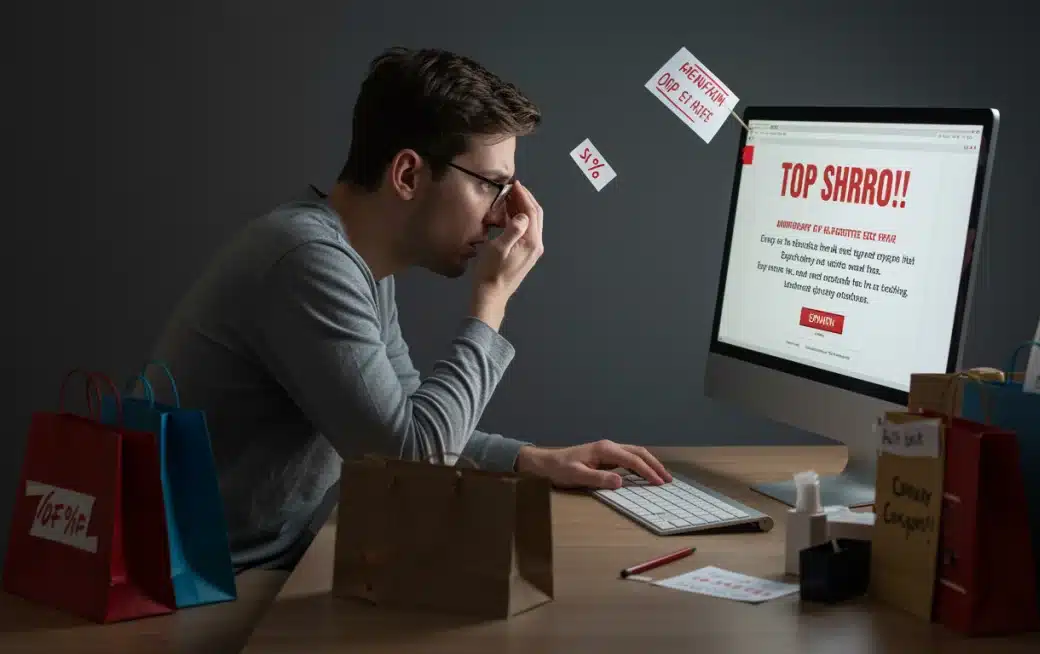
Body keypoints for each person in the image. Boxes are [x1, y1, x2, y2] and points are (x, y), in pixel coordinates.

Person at [145, 46, 670, 572]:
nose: (500, 218)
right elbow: (415, 463)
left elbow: (408, 419)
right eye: (493, 186)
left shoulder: (356, 263)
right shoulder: (308, 262)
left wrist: (531, 460)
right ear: (408, 175)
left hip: (260, 568)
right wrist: (491, 300)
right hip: (194, 589)